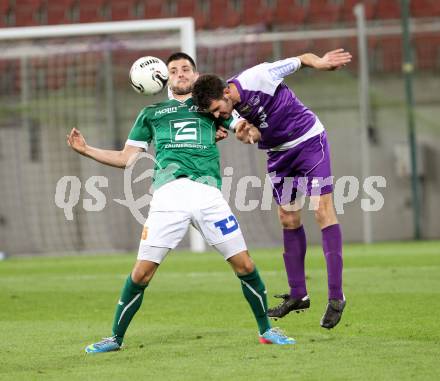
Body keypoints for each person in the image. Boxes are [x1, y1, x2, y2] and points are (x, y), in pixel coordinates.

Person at [67, 52, 295, 353]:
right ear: (165, 78)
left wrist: (244, 130)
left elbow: (246, 126)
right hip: (168, 196)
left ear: (196, 75)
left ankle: (266, 330)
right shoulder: (151, 113)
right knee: (141, 273)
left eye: (186, 69)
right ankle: (115, 338)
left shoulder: (212, 107)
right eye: (174, 70)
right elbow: (127, 158)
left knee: (245, 265)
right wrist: (86, 150)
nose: (180, 74)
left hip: (208, 194)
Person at [192, 49, 352, 329]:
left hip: (308, 142)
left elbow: (301, 59)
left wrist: (322, 63)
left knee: (322, 210)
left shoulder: (258, 76)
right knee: (288, 218)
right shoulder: (229, 109)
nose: (218, 114)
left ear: (226, 92)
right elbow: (248, 129)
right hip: (279, 154)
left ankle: (336, 296)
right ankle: (298, 294)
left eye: (218, 108)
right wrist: (245, 133)